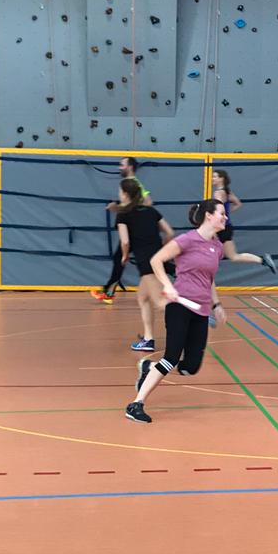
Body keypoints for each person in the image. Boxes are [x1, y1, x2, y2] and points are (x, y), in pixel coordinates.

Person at [124, 199, 228, 423]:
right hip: (179, 306)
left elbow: (209, 279)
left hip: (201, 310)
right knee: (171, 358)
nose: (225, 217)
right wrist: (168, 286)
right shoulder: (187, 240)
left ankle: (149, 367)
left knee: (190, 367)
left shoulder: (217, 247)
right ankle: (136, 404)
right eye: (222, 213)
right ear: (209, 215)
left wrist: (216, 304)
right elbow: (156, 260)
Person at [115, 176, 175, 353]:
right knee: (142, 297)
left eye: (120, 191)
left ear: (125, 194)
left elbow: (125, 241)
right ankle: (148, 340)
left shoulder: (123, 215)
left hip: (146, 263)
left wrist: (124, 256)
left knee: (160, 302)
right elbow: (170, 232)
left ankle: (197, 315)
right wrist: (162, 249)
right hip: (159, 258)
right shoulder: (151, 211)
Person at [92, 157, 151, 304]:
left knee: (128, 259)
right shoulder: (129, 183)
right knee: (122, 259)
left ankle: (108, 292)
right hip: (133, 229)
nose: (119, 167)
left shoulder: (134, 183)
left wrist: (119, 209)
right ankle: (108, 291)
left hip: (133, 230)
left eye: (122, 165)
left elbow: (148, 202)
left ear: (129, 167)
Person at [210, 169, 277, 276]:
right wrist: (227, 214)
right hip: (226, 227)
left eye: (215, 177)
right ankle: (262, 260)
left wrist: (216, 225)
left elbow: (218, 211)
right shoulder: (227, 192)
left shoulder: (218, 193)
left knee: (208, 254)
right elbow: (238, 204)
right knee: (233, 256)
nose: (212, 179)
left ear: (221, 179)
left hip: (220, 228)